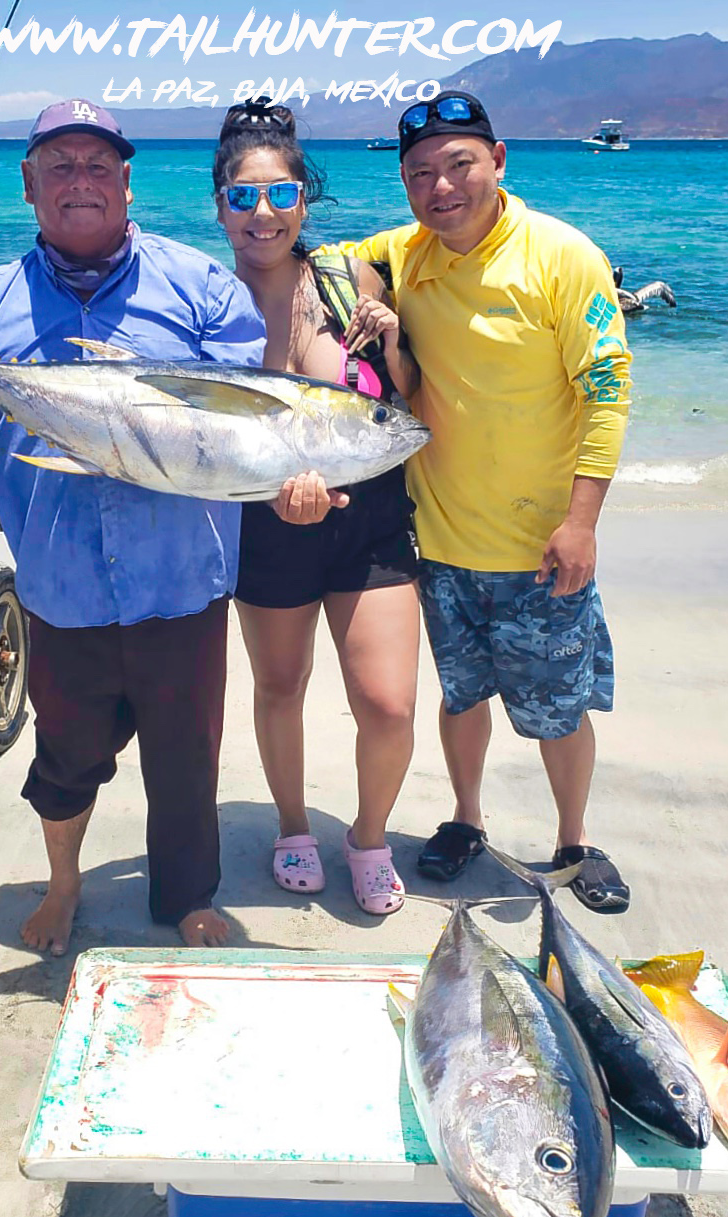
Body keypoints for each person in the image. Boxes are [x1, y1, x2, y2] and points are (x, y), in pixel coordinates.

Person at [0, 98, 275, 953]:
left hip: (179, 578)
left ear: (126, 181)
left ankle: (188, 896)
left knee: (186, 758)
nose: (82, 181)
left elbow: (238, 428)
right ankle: (64, 883)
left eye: (98, 165)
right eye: (61, 166)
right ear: (28, 184)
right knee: (65, 757)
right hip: (61, 586)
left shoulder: (201, 287)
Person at [334, 91, 634, 912]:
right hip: (440, 541)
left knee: (556, 710)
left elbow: (607, 392)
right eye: (418, 174)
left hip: (542, 547)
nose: (440, 188)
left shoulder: (561, 256)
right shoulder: (408, 250)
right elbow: (330, 254)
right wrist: (373, 296)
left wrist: (580, 524)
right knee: (461, 696)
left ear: (498, 161)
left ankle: (573, 841)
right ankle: (465, 819)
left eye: (458, 165)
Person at [213, 102, 422, 915]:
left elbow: (410, 399)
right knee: (280, 684)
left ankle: (367, 836)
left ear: (304, 199)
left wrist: (393, 338)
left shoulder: (350, 279)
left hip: (368, 518)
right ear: (220, 205)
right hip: (265, 522)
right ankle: (292, 825)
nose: (261, 213)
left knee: (388, 704)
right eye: (242, 196)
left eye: (280, 194)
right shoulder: (208, 302)